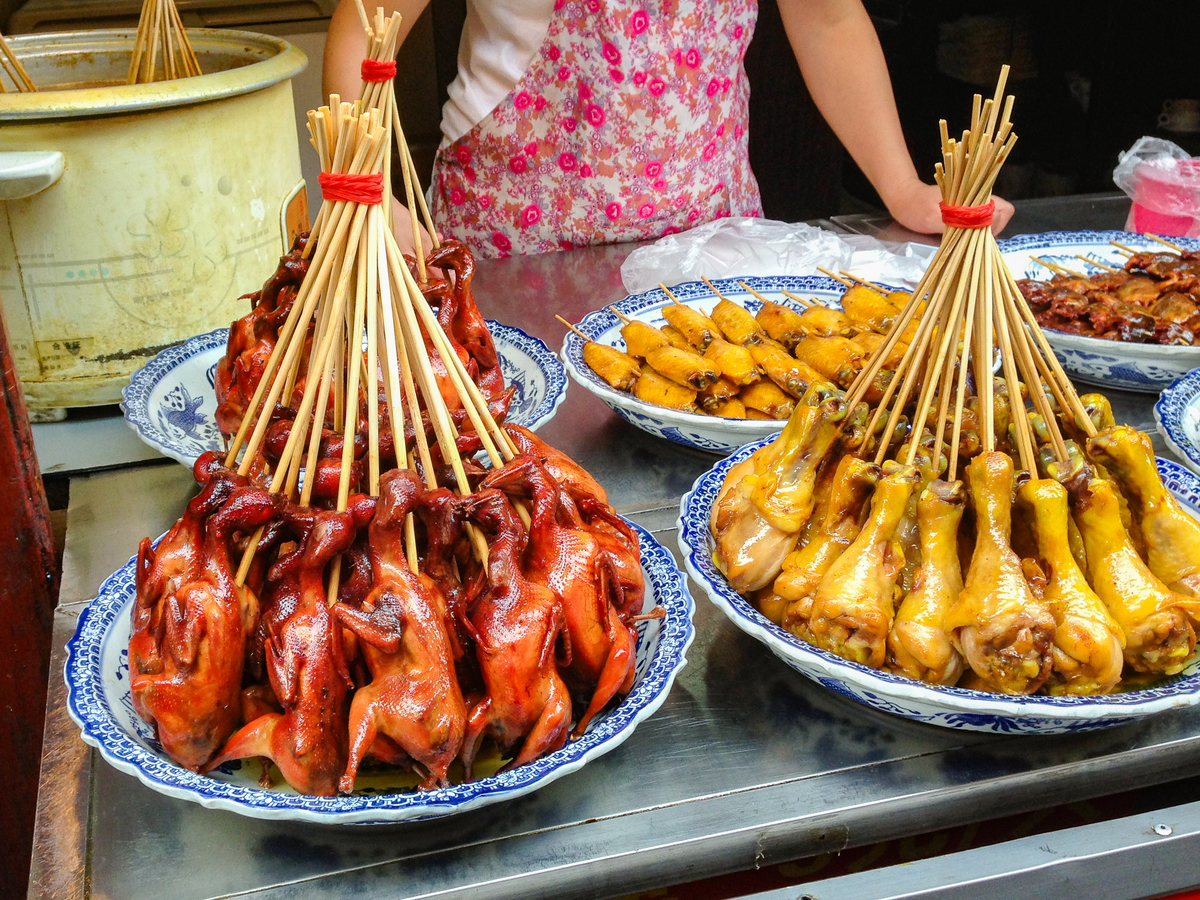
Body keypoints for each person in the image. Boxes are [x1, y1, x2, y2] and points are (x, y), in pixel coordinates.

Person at [324, 0, 1014, 259]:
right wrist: (365, 190)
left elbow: (828, 20)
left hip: (707, 243)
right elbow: (366, 20)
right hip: (509, 245)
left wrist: (898, 185)